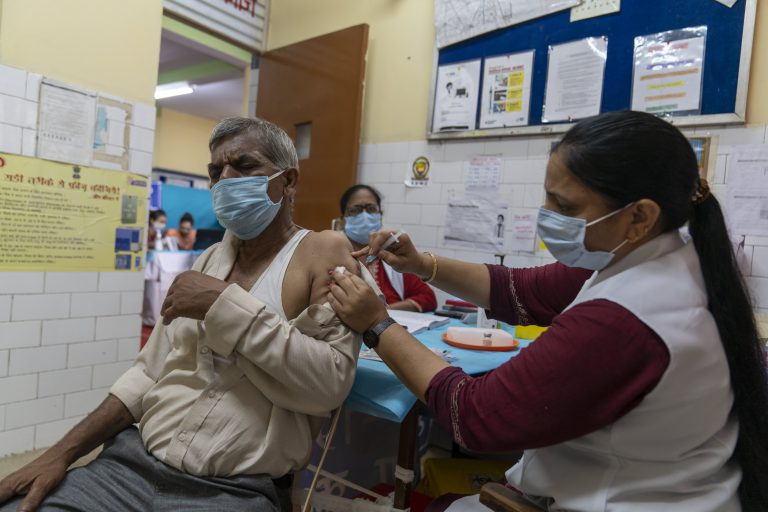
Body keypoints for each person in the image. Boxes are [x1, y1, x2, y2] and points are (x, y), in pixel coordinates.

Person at [328, 111, 768, 511]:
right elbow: (521, 290)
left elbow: (476, 415)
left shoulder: (631, 315)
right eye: (549, 197)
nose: (548, 214)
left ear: (639, 217)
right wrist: (422, 264)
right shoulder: (662, 254)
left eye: (566, 206)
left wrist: (378, 325)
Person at [0, 117, 374, 512]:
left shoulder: (321, 252)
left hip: (233, 491)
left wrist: (222, 304)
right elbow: (146, 375)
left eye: (244, 166)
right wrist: (59, 455)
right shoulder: (208, 261)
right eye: (216, 171)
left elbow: (327, 385)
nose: (225, 180)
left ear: (289, 181)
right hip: (130, 465)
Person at [341, 184, 436, 312]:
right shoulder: (331, 254)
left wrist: (384, 311)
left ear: (380, 214)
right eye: (355, 210)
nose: (364, 216)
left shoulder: (393, 254)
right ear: (343, 218)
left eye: (371, 209)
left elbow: (428, 298)